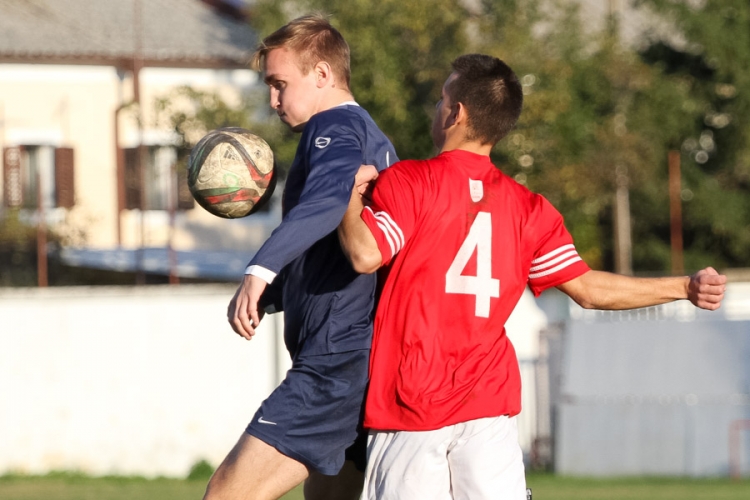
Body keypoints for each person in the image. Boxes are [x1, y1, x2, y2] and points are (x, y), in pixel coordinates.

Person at [338, 54, 726, 500]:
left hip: (411, 405)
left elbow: (366, 253)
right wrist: (683, 287)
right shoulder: (528, 208)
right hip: (488, 408)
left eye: (442, 97)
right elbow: (588, 290)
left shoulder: (408, 181)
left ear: (457, 112)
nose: (437, 107)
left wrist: (348, 199)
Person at [205, 14, 398, 500]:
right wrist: (273, 291)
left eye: (279, 84)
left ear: (323, 75)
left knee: (227, 494)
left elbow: (329, 201)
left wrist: (259, 269)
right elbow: (331, 246)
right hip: (359, 359)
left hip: (334, 365)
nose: (272, 100)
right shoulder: (368, 133)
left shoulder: (334, 126)